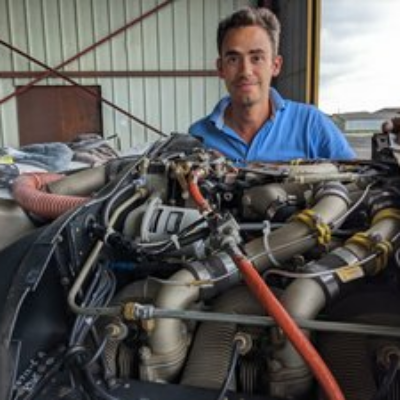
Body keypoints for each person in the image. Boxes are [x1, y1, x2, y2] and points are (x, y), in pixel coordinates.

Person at [189, 7, 355, 163]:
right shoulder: (197, 137)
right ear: (220, 68)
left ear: (275, 65)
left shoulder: (312, 125)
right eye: (233, 59)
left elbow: (356, 178)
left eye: (256, 58)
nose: (245, 71)